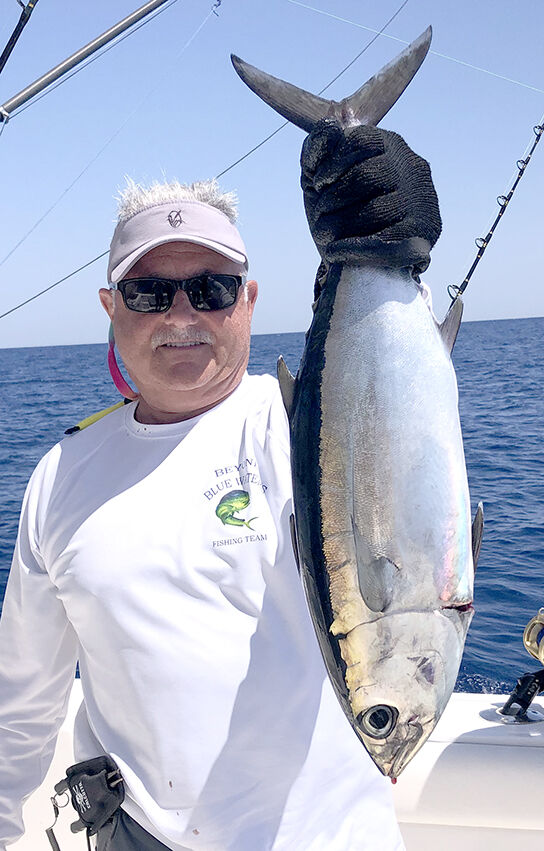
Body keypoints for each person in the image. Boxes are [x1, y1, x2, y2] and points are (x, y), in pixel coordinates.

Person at [0, 123, 440, 850]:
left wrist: (394, 254)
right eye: (149, 291)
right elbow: (19, 699)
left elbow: (409, 447)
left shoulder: (308, 432)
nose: (181, 316)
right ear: (111, 306)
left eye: (211, 289)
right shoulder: (60, 476)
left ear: (250, 300)